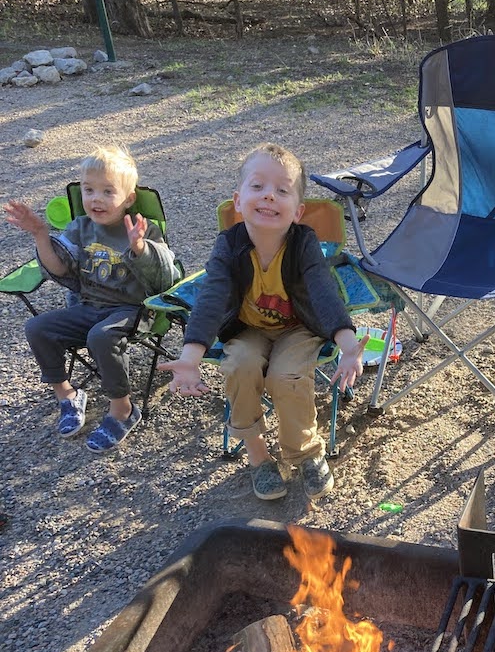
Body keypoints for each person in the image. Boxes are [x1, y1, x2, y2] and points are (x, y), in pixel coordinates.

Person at [159, 142, 368, 502]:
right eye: (257, 187)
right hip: (248, 329)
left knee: (285, 375)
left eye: (282, 190)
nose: (269, 196)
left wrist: (349, 345)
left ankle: (305, 452)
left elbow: (322, 291)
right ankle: (259, 457)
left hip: (299, 328)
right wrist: (191, 356)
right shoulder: (229, 245)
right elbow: (212, 297)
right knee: (239, 366)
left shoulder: (303, 243)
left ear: (297, 210)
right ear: (238, 200)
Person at [4, 145, 180, 453]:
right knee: (37, 327)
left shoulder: (142, 228)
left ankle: (123, 411)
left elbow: (164, 276)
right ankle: (68, 395)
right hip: (89, 306)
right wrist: (41, 235)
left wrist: (140, 248)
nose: (96, 199)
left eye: (107, 191)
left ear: (129, 199)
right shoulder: (80, 227)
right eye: (89, 190)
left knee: (100, 336)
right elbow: (59, 268)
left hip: (132, 310)